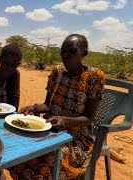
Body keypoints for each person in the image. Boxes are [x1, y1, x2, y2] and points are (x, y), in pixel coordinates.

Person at [8, 34, 105, 179]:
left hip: (76, 139)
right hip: (48, 130)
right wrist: (34, 108)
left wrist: (65, 121)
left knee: (47, 163)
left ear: (84, 53)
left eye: (72, 51)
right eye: (63, 51)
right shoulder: (57, 72)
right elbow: (48, 105)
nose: (66, 55)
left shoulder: (94, 76)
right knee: (18, 153)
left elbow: (89, 117)